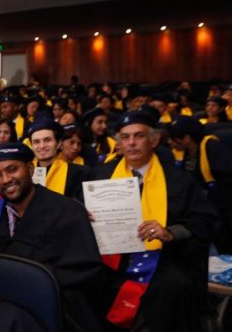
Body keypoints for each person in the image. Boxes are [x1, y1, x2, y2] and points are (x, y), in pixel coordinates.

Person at [88, 111, 218, 331]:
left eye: (138, 136)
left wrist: (170, 232)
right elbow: (75, 214)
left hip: (163, 260)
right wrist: (84, 216)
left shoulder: (179, 180)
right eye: (125, 137)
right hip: (109, 259)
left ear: (154, 140)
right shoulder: (99, 177)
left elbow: (207, 222)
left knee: (174, 288)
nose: (131, 143)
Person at [0, 143, 105, 331]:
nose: (6, 179)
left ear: (30, 169)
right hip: (5, 315)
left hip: (57, 315)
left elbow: (85, 271)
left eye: (12, 169)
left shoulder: (67, 210)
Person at [168, 116, 232, 253]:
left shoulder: (211, 146)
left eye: (173, 138)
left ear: (186, 138)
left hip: (221, 204)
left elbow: (227, 182)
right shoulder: (183, 153)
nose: (170, 142)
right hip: (200, 203)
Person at [27, 119, 89, 199]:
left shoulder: (80, 173)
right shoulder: (26, 173)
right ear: (31, 145)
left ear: (59, 143)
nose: (42, 146)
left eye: (47, 140)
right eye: (36, 142)